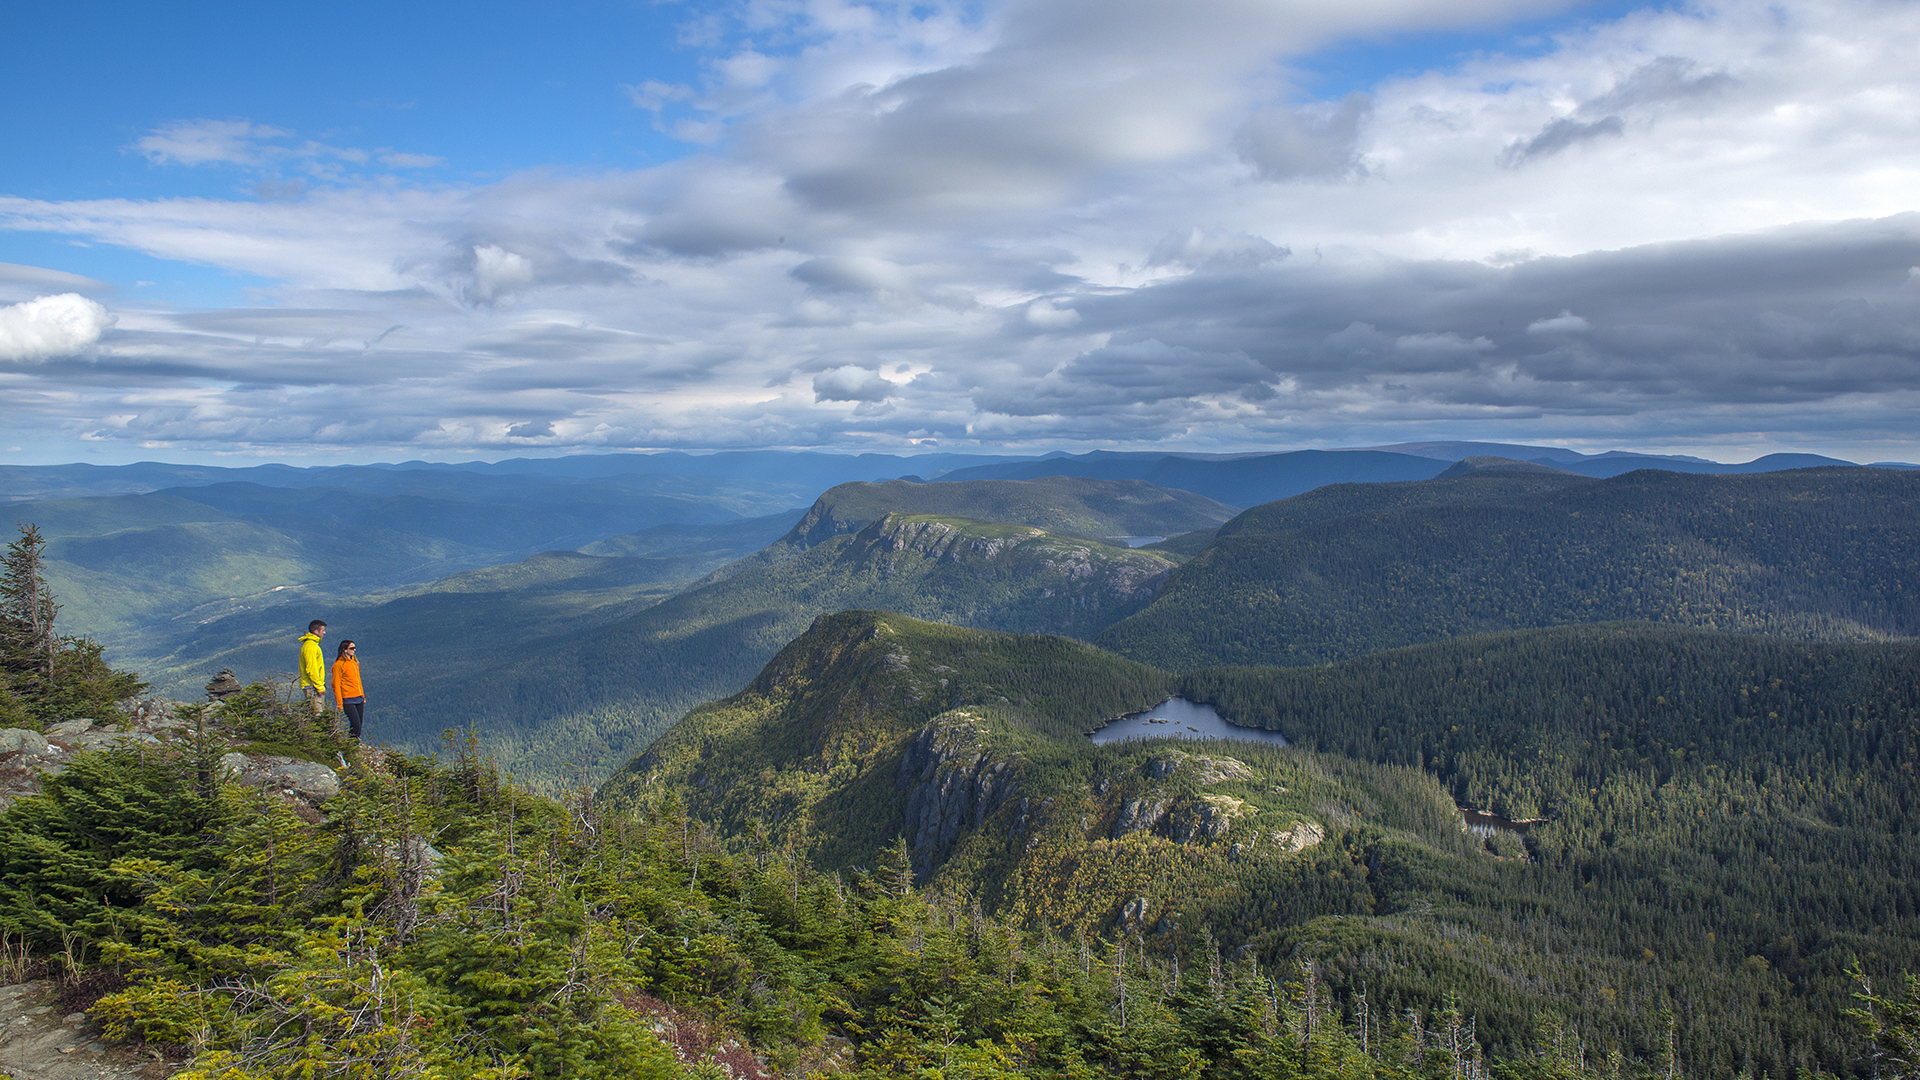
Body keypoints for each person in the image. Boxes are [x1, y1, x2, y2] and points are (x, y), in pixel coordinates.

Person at [332, 639, 365, 740]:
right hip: (348, 699)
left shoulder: (354, 663)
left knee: (359, 724)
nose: (354, 650)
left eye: (354, 648)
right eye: (351, 648)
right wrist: (339, 704)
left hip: (358, 698)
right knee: (356, 724)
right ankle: (351, 745)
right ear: (344, 650)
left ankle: (354, 744)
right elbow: (336, 685)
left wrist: (362, 695)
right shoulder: (338, 665)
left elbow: (358, 680)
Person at [297, 620, 327, 714]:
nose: (324, 633)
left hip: (313, 685)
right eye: (322, 630)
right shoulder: (310, 646)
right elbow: (311, 669)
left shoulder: (312, 645)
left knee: (317, 713)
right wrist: (319, 686)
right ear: (315, 632)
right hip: (312, 686)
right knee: (317, 714)